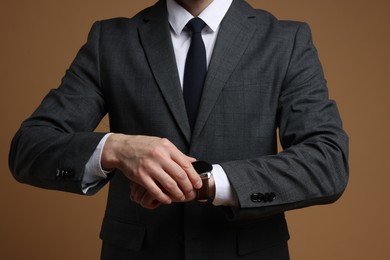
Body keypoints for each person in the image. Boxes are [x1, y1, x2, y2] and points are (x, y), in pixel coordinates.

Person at [9, 0, 349, 259]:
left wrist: (208, 183)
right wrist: (115, 149)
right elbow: (30, 147)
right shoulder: (110, 40)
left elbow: (326, 163)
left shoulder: (285, 40)